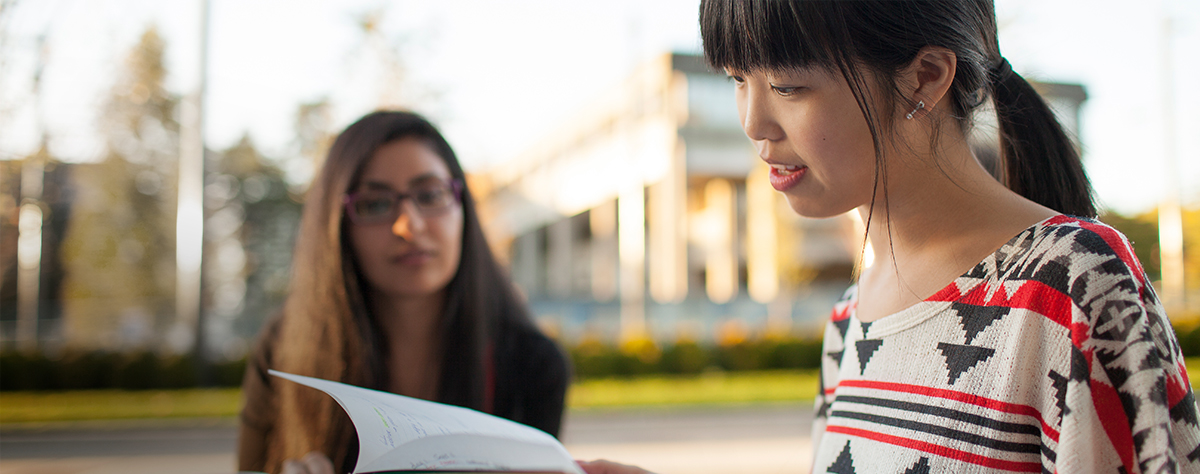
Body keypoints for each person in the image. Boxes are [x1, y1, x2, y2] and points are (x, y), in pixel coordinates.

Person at [581, 1, 1200, 473]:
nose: (753, 122)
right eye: (738, 79)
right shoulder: (851, 317)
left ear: (925, 78)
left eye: (788, 86)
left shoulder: (1070, 289)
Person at [238, 111, 571, 474]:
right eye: (375, 204)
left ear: (463, 208)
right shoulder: (285, 347)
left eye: (430, 194)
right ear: (336, 227)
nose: (408, 225)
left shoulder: (531, 364)